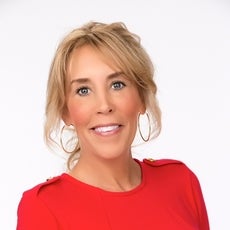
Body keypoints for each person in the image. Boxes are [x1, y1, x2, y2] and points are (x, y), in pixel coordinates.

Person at [16, 21, 209, 229]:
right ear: (65, 111)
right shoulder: (43, 207)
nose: (104, 105)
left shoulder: (180, 182)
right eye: (83, 90)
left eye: (117, 85)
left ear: (142, 98)